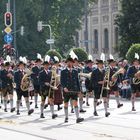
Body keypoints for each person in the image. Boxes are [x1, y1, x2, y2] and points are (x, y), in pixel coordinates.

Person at [61, 57, 84, 123]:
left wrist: (79, 90)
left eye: (71, 62)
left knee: (75, 103)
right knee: (66, 104)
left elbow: (77, 81)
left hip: (74, 89)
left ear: (72, 63)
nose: (69, 63)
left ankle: (77, 117)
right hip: (66, 90)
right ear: (66, 63)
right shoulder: (63, 71)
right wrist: (64, 87)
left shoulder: (75, 71)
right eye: (68, 62)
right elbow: (62, 81)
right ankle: (66, 117)